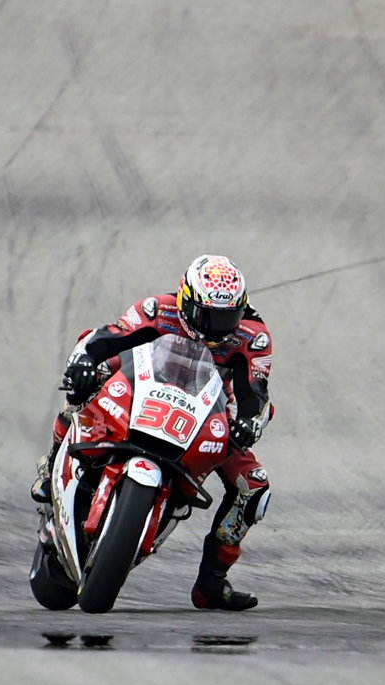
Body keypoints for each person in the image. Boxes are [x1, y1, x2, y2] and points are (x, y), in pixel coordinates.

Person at [31, 255, 272, 611]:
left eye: (227, 316)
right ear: (186, 300)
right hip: (143, 388)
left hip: (206, 414)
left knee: (254, 487)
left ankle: (211, 582)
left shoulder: (253, 336)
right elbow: (103, 339)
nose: (217, 326)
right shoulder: (157, 309)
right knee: (84, 386)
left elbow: (254, 393)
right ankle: (50, 465)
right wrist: (82, 364)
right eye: (208, 315)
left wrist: (249, 421)